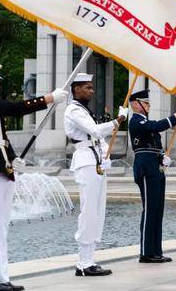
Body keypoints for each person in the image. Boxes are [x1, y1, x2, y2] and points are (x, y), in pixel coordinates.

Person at [0, 64, 68, 291]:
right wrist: (48, 98)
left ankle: (2, 277)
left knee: (2, 226)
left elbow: (1, 138)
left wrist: (12, 158)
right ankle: (0, 279)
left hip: (2, 169)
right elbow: (16, 108)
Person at [64, 73, 128, 276]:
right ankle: (83, 263)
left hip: (96, 161)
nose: (92, 90)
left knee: (98, 212)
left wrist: (105, 155)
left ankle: (89, 259)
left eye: (92, 87)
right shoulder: (73, 110)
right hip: (86, 162)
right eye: (87, 87)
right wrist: (119, 120)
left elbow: (97, 139)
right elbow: (95, 131)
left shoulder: (84, 110)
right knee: (89, 211)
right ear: (76, 89)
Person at [129, 89, 176, 263]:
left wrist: (163, 157)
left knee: (157, 210)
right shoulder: (136, 121)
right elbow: (156, 126)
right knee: (149, 210)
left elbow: (155, 142)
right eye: (146, 103)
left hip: (155, 167)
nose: (148, 106)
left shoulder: (145, 121)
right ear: (136, 104)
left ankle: (155, 250)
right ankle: (146, 252)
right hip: (146, 167)